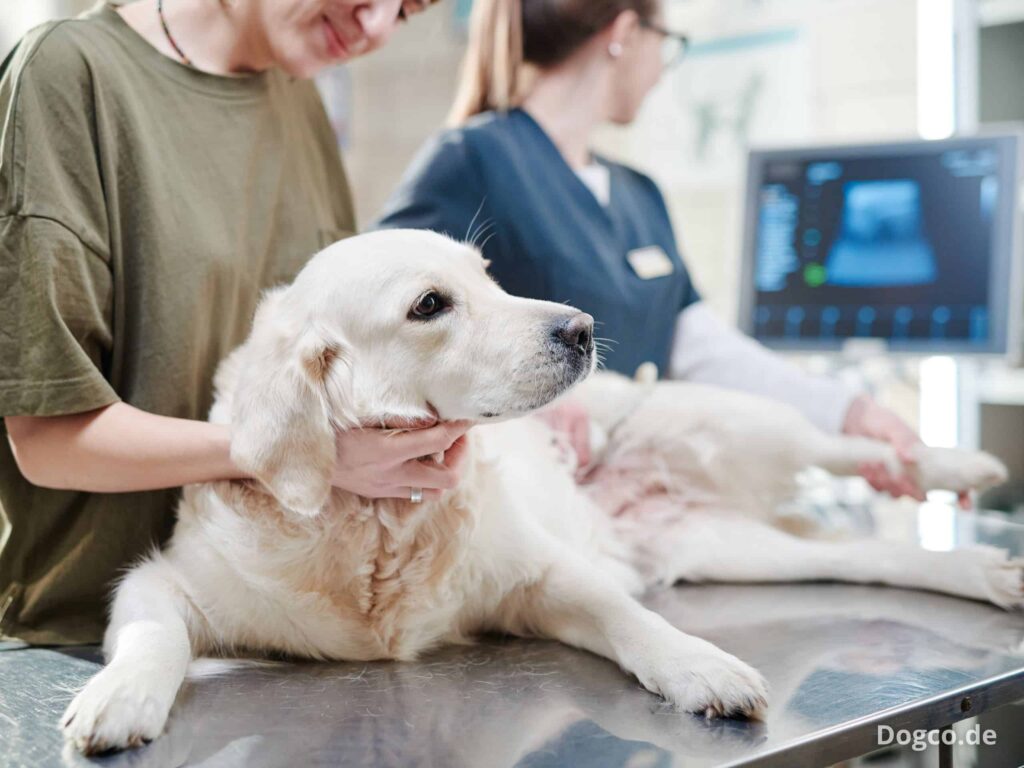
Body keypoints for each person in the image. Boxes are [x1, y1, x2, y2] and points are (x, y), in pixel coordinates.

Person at [0, 0, 470, 647]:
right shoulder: (70, 73)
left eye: (407, 12)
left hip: (287, 626)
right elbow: (48, 441)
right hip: (90, 640)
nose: (377, 27)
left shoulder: (299, 99)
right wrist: (290, 451)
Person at [376, 0, 930, 500]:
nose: (664, 67)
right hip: (531, 510)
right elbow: (380, 339)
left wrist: (850, 412)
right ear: (624, 33)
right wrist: (529, 413)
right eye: (667, 42)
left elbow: (700, 348)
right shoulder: (470, 160)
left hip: (640, 501)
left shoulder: (639, 192)